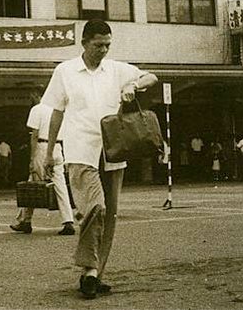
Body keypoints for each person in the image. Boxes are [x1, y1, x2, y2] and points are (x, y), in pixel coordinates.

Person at [41, 19, 158, 299]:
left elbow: (151, 76)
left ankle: (93, 275)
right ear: (84, 43)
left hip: (114, 151)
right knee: (95, 207)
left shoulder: (116, 70)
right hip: (81, 148)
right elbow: (56, 111)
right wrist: (48, 152)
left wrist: (135, 85)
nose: (103, 50)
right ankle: (90, 268)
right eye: (97, 45)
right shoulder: (65, 71)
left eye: (107, 45)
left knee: (110, 216)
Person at [10, 87, 75, 235]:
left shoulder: (37, 109)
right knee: (60, 186)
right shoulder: (59, 110)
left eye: (32, 95)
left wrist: (32, 159)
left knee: (33, 182)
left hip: (42, 147)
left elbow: (34, 135)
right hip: (58, 147)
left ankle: (25, 221)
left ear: (37, 94)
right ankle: (68, 220)